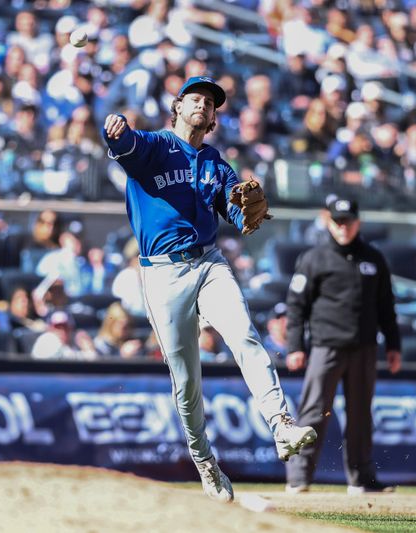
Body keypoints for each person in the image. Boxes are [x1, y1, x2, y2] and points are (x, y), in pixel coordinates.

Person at [102, 75, 316, 503]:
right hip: (163, 274)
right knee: (186, 380)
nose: (203, 105)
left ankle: (281, 425)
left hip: (208, 262)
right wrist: (118, 127)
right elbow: (125, 145)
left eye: (211, 102)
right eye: (195, 98)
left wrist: (246, 211)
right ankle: (204, 461)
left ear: (215, 117)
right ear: (178, 106)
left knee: (245, 336)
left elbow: (237, 214)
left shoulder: (216, 162)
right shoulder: (154, 146)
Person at [284, 196, 401, 495]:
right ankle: (298, 477)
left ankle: (361, 478)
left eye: (348, 221)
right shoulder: (314, 258)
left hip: (363, 348)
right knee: (313, 413)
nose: (343, 227)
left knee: (361, 415)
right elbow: (296, 306)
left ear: (358, 222)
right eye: (337, 221)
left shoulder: (373, 259)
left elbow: (386, 306)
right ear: (329, 222)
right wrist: (296, 346)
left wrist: (393, 345)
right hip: (326, 347)